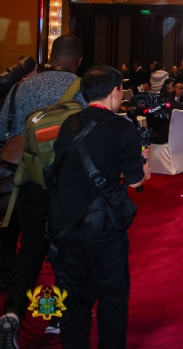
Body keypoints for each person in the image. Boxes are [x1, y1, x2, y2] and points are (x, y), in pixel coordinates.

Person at [36, 65, 150, 349]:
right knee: (112, 298)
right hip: (102, 226)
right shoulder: (123, 127)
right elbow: (134, 181)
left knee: (73, 296)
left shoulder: (69, 123)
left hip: (64, 223)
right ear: (115, 92)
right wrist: (144, 170)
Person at [0, 36, 84, 326]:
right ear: (79, 61)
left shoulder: (19, 88)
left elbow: (2, 130)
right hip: (68, 181)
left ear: (50, 56)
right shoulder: (82, 89)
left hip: (27, 178)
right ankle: (61, 318)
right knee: (68, 249)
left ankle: (12, 311)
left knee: (31, 247)